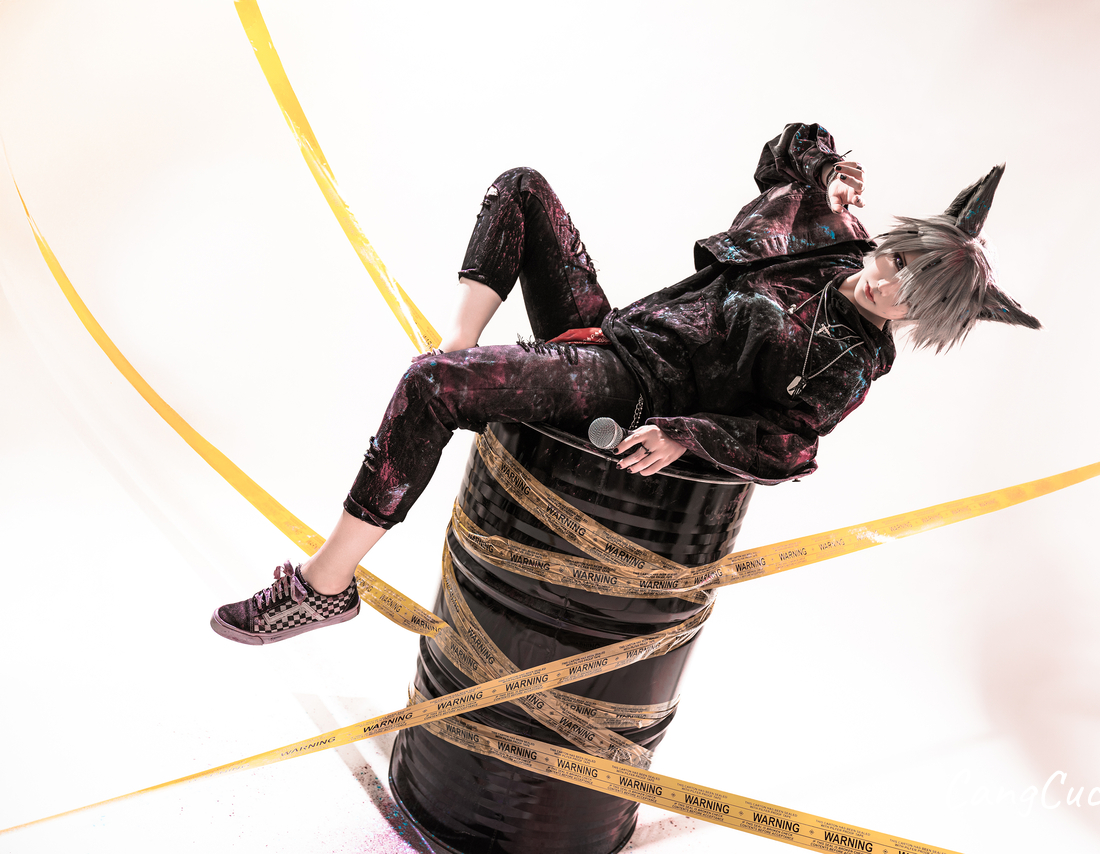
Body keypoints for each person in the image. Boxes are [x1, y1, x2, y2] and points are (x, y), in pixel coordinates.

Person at [210, 122, 1040, 645]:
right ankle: (461, 351)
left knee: (430, 388)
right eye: (900, 262)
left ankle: (324, 587)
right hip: (614, 334)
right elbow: (786, 149)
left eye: (913, 297)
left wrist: (687, 432)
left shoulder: (849, 361)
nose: (888, 286)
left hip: (629, 389)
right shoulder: (833, 234)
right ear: (897, 240)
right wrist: (828, 168)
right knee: (521, 187)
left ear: (925, 319)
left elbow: (788, 447)